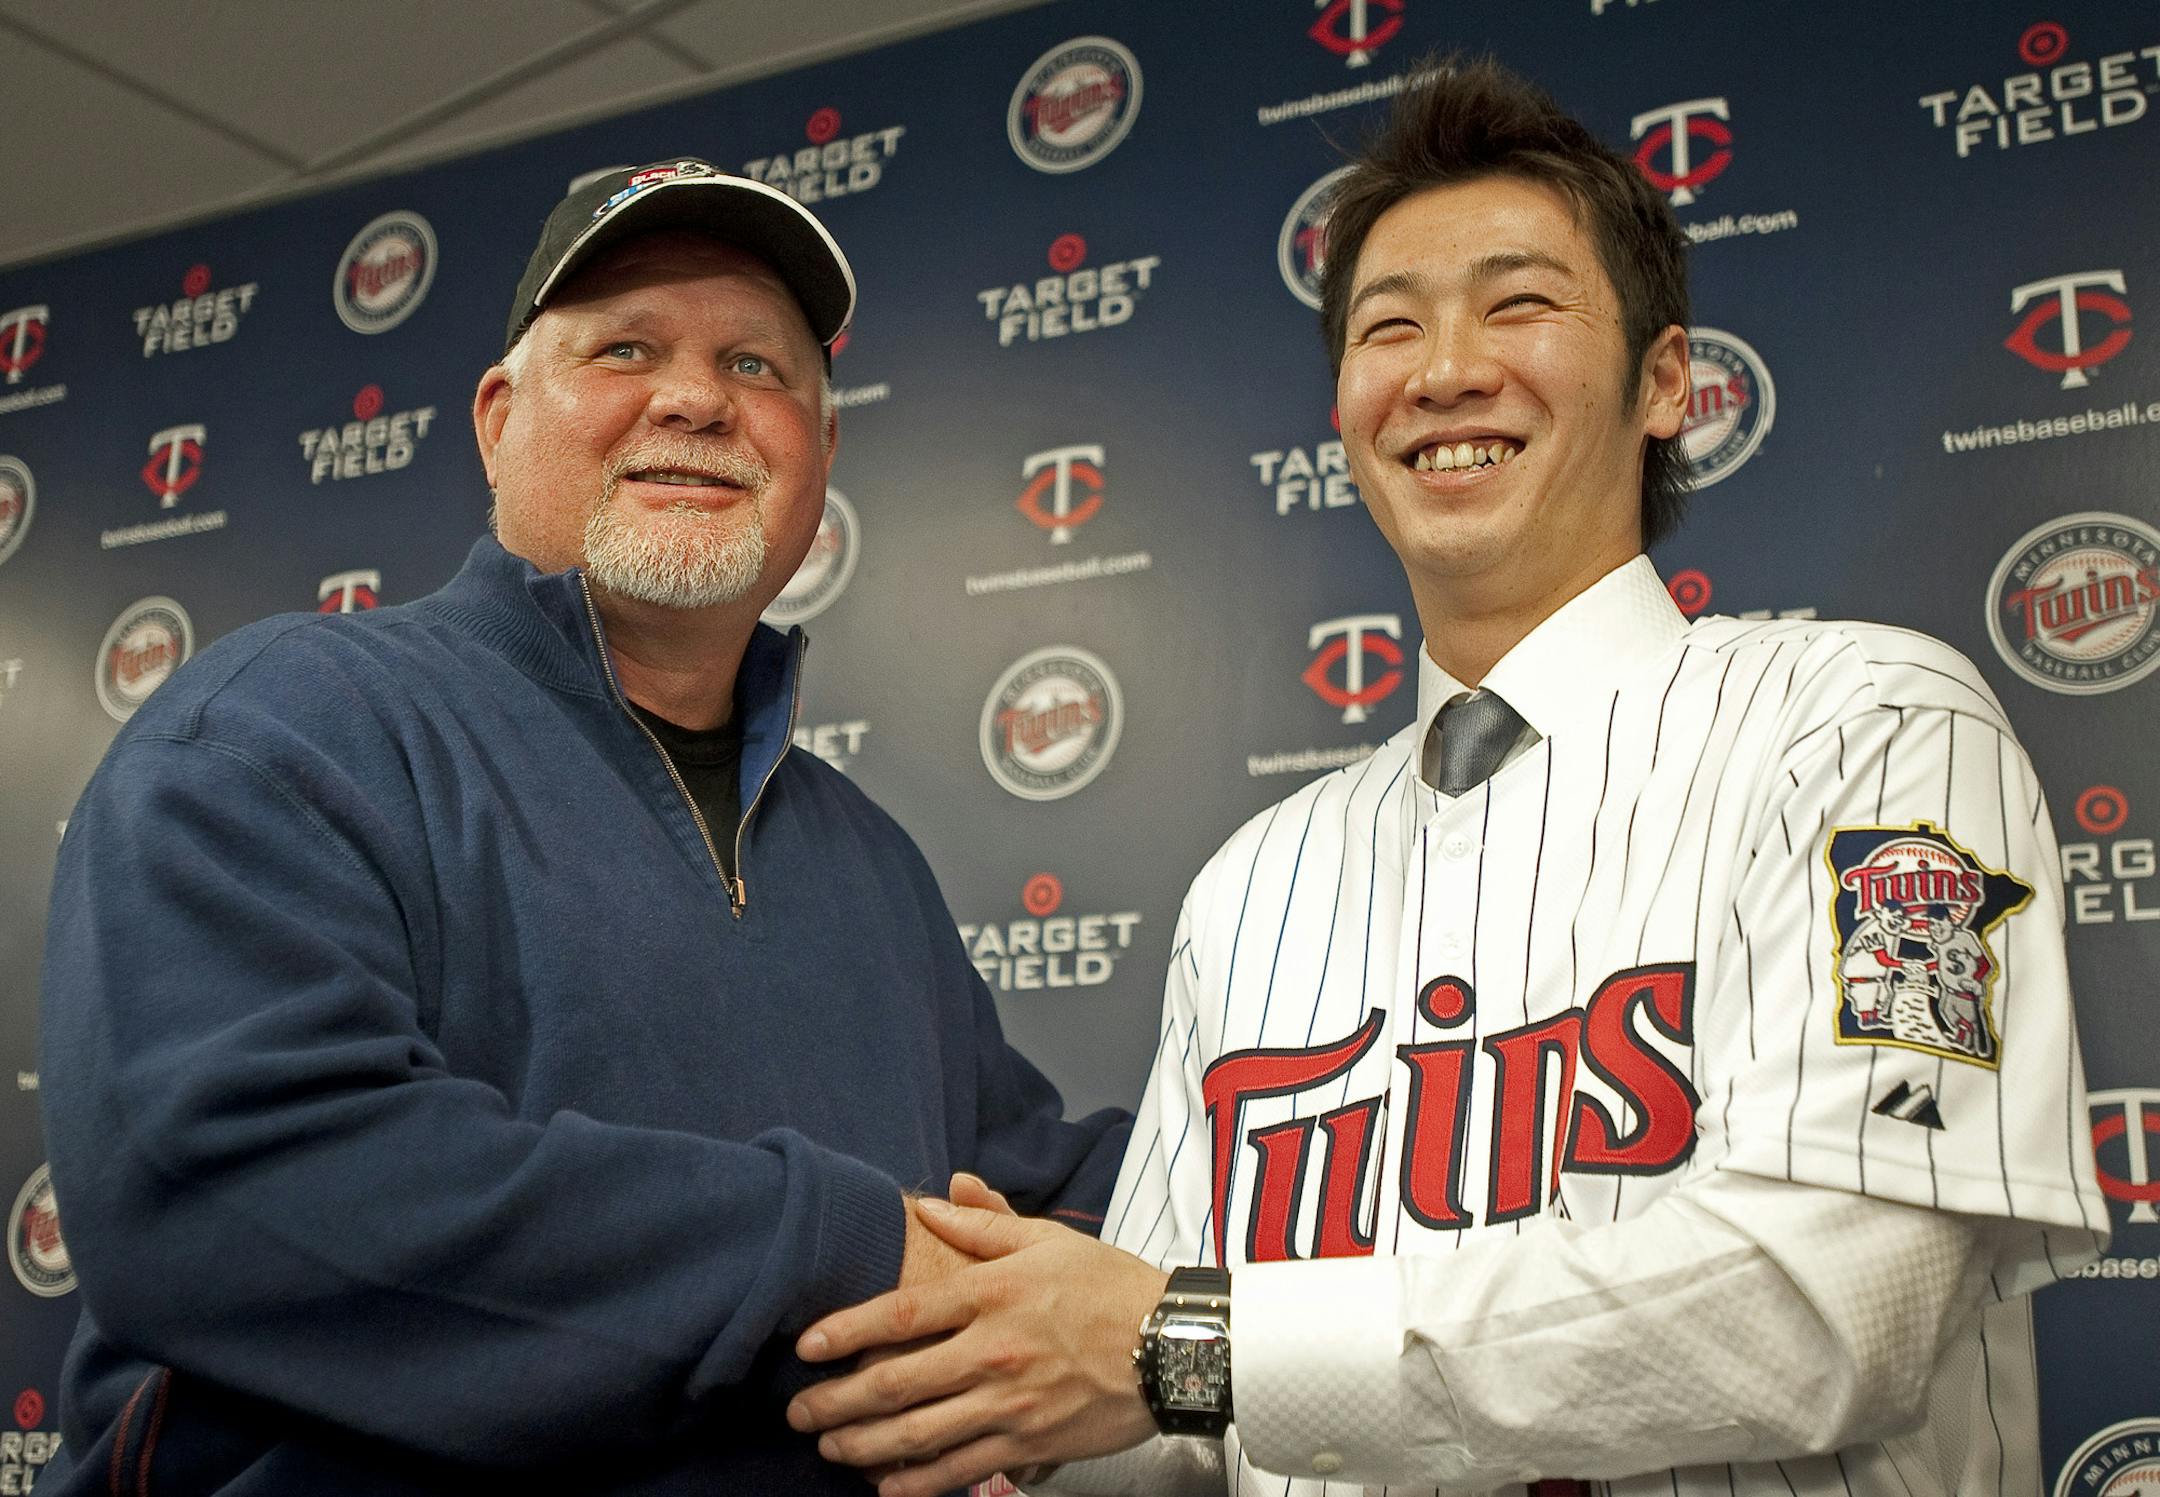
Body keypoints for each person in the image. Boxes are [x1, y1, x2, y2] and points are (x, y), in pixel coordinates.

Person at [785, 57, 2108, 1497]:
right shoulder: (1252, 884)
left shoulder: (1872, 728)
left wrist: (1200, 1348)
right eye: (1387, 326)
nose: (1443, 369)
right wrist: (974, 1370)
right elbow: (1149, 1413)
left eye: (1519, 304)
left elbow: (1843, 1297)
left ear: (1668, 380)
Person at [37, 159, 1127, 1495]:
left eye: (759, 366)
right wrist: (839, 1250)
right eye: (624, 348)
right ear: (499, 420)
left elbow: (1039, 1198)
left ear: (821, 455)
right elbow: (223, 1185)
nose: (696, 397)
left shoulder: (869, 860)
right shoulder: (287, 725)